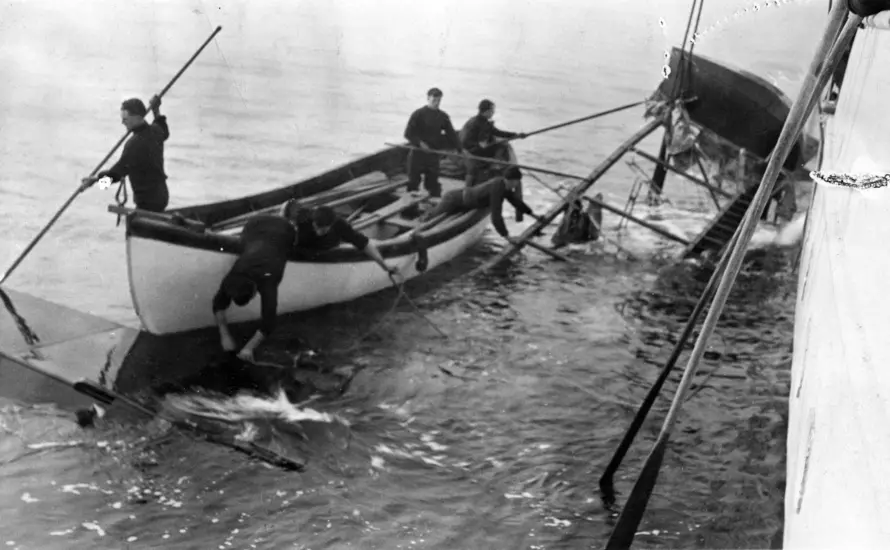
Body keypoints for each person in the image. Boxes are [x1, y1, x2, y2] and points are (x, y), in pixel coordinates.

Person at [212, 213, 298, 362]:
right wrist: (224, 335)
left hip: (284, 229)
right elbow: (217, 304)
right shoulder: (233, 277)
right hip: (255, 222)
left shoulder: (269, 280)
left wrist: (249, 348)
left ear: (255, 291)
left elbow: (269, 322)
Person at [80, 95, 171, 212]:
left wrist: (96, 181)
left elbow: (117, 174)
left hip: (147, 202)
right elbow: (164, 129)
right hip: (162, 197)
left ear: (137, 117)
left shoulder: (134, 144)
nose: (122, 122)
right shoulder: (156, 131)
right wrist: (156, 109)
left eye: (125, 118)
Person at [413, 166, 535, 244]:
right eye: (517, 182)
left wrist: (532, 214)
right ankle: (416, 226)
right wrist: (507, 237)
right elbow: (496, 216)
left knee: (437, 217)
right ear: (513, 181)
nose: (517, 185)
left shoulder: (503, 185)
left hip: (464, 201)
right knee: (431, 218)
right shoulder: (498, 188)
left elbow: (516, 202)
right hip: (453, 199)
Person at [290, 204, 401, 279]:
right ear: (313, 221)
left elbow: (364, 244)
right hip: (303, 249)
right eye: (316, 227)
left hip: (327, 248)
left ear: (331, 225)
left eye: (323, 229)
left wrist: (384, 265)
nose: (318, 232)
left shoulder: (340, 225)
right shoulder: (303, 220)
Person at [403, 87, 467, 198]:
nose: (436, 103)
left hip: (432, 154)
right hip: (417, 153)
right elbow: (408, 133)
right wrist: (420, 144)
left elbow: (451, 134)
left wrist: (460, 149)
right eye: (434, 100)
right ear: (428, 98)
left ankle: (434, 203)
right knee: (413, 182)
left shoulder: (443, 116)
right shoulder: (418, 114)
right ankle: (410, 204)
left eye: (439, 100)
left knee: (433, 184)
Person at [460, 99, 527, 187]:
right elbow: (498, 133)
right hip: (473, 150)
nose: (493, 113)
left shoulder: (474, 120)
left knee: (497, 142)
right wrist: (516, 135)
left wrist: (515, 135)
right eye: (492, 110)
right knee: (503, 145)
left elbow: (495, 133)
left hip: (466, 147)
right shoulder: (483, 123)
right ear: (487, 111)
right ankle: (494, 165)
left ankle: (492, 163)